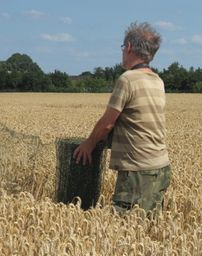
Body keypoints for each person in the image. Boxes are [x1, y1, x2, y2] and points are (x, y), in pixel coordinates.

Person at [73, 22, 170, 215]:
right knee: (147, 229)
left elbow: (107, 123)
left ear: (129, 47)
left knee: (122, 230)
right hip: (161, 167)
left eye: (122, 48)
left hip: (137, 170)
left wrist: (89, 145)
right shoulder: (157, 81)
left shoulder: (127, 79)